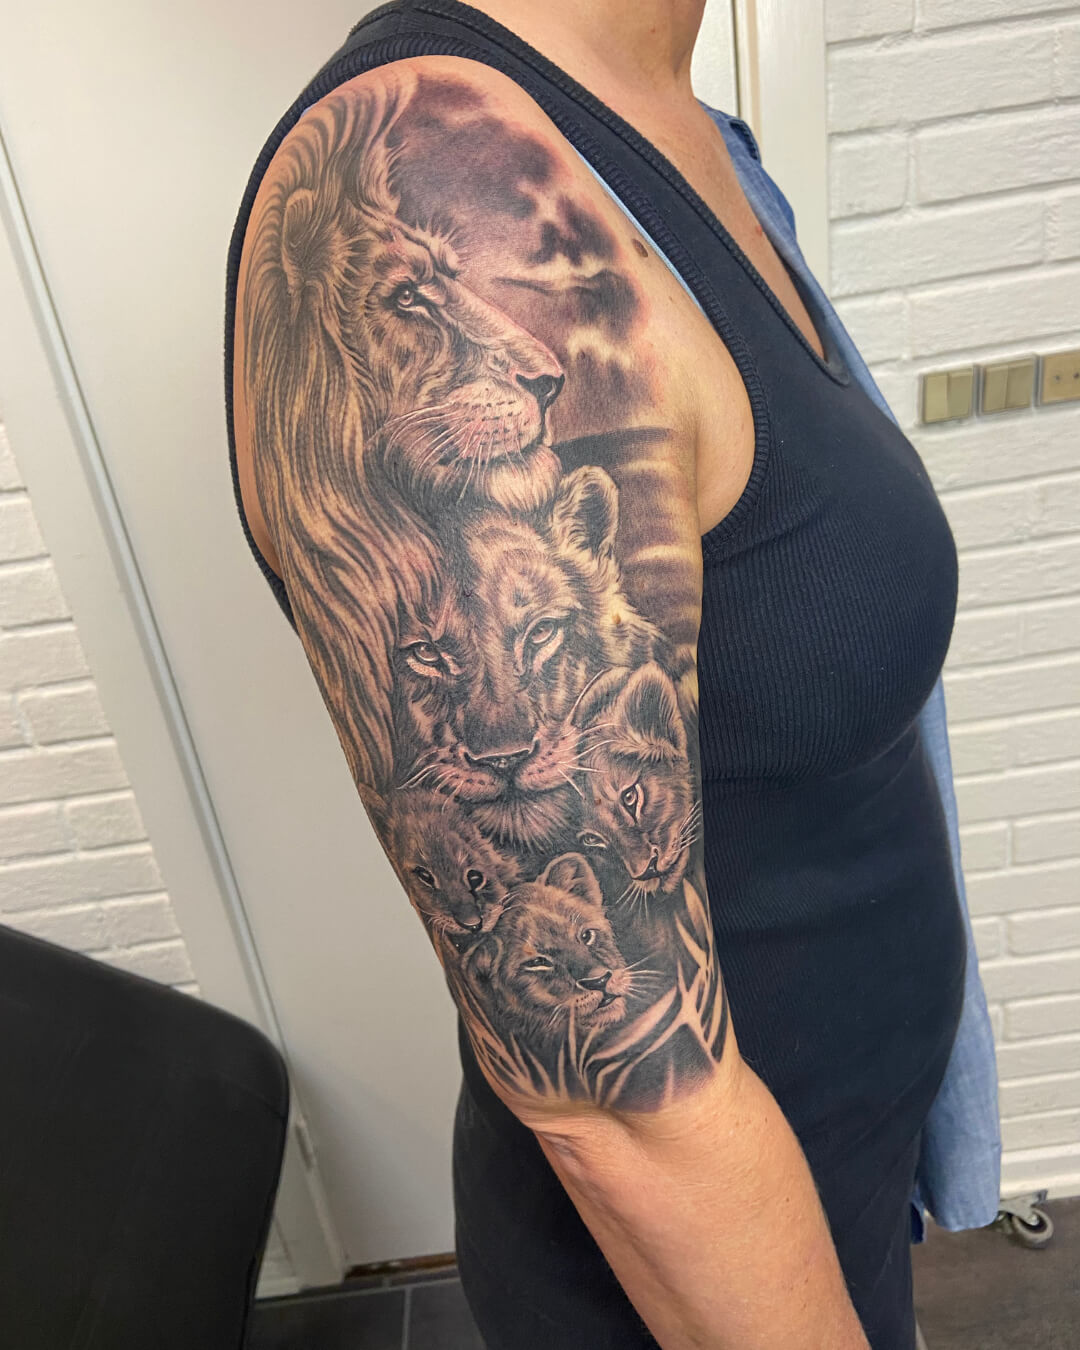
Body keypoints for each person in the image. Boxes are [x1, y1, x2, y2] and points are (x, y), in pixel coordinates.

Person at [225, 3, 975, 1346]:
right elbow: (623, 1109)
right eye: (420, 305)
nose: (521, 359)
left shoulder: (674, 121)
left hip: (839, 1172)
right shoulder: (440, 185)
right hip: (705, 1290)